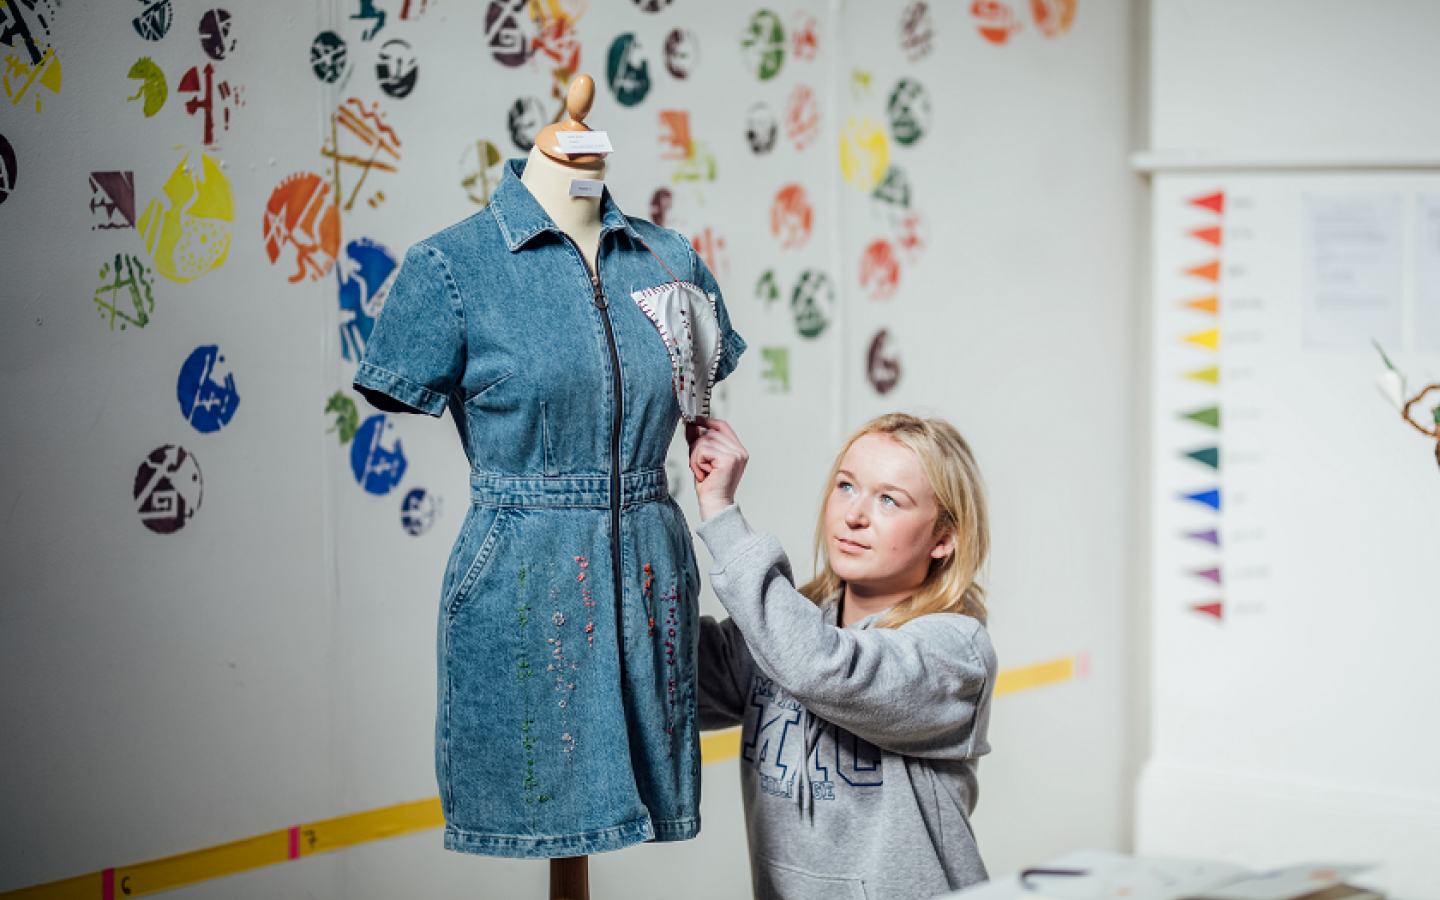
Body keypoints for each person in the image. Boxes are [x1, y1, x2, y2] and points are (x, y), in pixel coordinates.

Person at [687, 413, 997, 900]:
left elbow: (820, 666)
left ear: (944, 539)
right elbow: (669, 681)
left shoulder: (954, 653)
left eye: (890, 500)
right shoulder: (792, 626)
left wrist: (721, 513)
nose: (854, 515)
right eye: (847, 486)